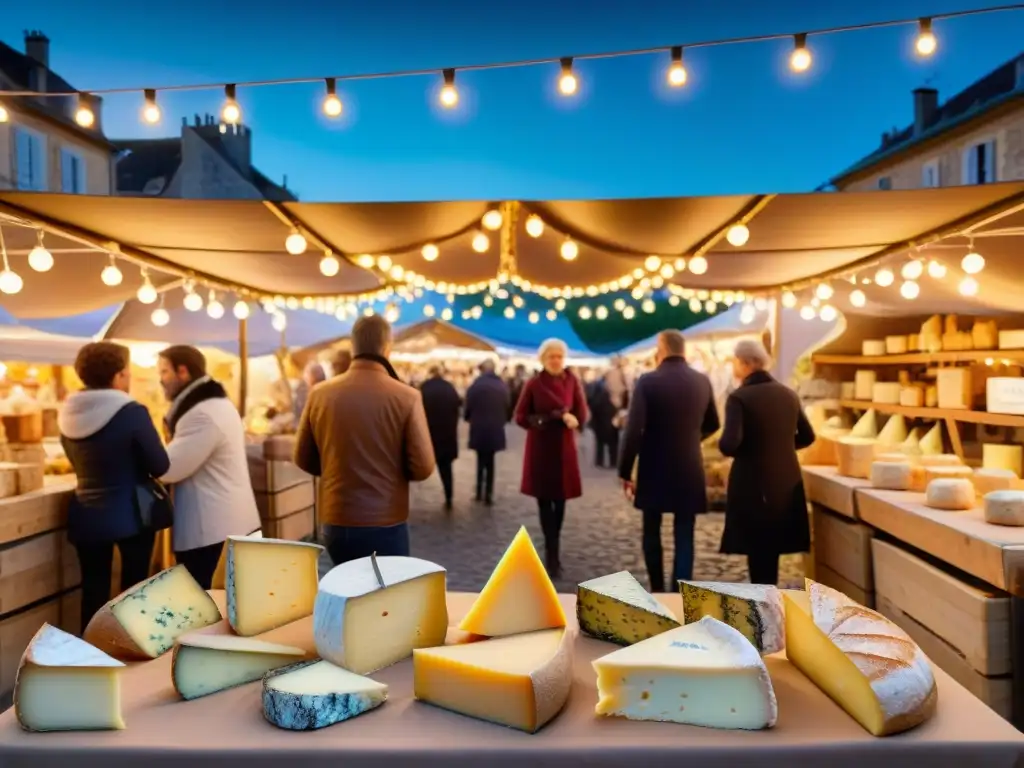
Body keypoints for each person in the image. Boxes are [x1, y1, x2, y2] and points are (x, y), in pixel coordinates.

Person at [294, 315, 435, 564]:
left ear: (353, 347)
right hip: (385, 521)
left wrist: (335, 467)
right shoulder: (407, 397)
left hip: (335, 520)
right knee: (388, 597)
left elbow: (303, 458)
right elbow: (423, 467)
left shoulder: (319, 394)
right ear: (387, 347)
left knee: (348, 594)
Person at [59, 342, 170, 632]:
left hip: (85, 514)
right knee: (133, 593)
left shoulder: (68, 411)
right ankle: (132, 663)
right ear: (120, 376)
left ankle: (92, 659)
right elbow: (159, 464)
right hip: (133, 513)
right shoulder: (131, 411)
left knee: (93, 591)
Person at [618, 330, 720, 593]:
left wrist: (625, 470)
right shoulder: (702, 381)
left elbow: (634, 430)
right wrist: (692, 438)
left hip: (654, 465)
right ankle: (679, 591)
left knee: (651, 529)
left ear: (661, 349)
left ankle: (657, 588)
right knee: (684, 532)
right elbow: (714, 423)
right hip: (689, 465)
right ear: (683, 350)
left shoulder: (648, 381)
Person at [158, 345, 261, 589]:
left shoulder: (201, 414)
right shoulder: (215, 404)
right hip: (229, 525)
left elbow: (168, 468)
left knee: (211, 611)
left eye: (164, 372)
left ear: (182, 372)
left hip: (212, 532)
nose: (160, 380)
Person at [718, 339, 816, 585]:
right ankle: (769, 601)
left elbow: (730, 444)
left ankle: (763, 607)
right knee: (771, 548)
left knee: (757, 549)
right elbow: (807, 436)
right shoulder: (788, 394)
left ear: (745, 363)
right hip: (785, 480)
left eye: (735, 362)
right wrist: (779, 447)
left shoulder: (739, 398)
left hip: (753, 481)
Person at [515, 338, 588, 577]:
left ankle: (554, 546)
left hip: (564, 450)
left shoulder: (572, 381)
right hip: (541, 449)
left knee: (561, 500)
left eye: (559, 356)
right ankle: (551, 552)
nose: (556, 360)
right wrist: (545, 419)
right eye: (551, 357)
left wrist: (575, 419)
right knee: (545, 501)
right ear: (543, 359)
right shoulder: (534, 384)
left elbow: (582, 411)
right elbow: (520, 416)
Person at [464, 359, 510, 506]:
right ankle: (489, 494)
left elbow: (468, 406)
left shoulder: (476, 385)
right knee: (490, 462)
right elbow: (508, 406)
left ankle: (479, 492)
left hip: (478, 427)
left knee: (480, 460)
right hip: (495, 428)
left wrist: (468, 417)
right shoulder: (502, 386)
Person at [420, 366, 462, 510]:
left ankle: (404, 500)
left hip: (427, 435)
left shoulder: (424, 388)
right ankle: (449, 496)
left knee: (413, 468)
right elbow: (458, 408)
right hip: (447, 435)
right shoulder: (450, 388)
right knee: (446, 469)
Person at [587, 372, 622, 469]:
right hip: (605, 420)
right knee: (609, 443)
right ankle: (610, 462)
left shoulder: (602, 390)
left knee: (604, 443)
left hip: (605, 421)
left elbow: (592, 404)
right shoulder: (603, 391)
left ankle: (602, 461)